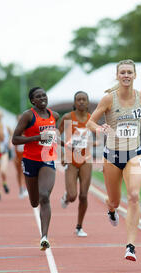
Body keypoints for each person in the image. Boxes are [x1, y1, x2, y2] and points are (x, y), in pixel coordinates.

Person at [86, 59, 141, 261]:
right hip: (112, 156)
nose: (126, 75)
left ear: (135, 75)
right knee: (115, 200)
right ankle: (110, 209)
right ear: (118, 76)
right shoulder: (108, 99)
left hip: (134, 154)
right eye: (122, 72)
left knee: (134, 195)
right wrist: (99, 128)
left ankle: (130, 246)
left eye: (129, 72)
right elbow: (90, 121)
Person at [12, 87, 60, 251]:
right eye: (38, 97)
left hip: (48, 159)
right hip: (30, 160)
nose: (42, 98)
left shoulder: (55, 116)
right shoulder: (28, 115)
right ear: (33, 101)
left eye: (44, 95)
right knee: (34, 202)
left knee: (44, 196)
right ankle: (43, 232)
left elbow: (56, 135)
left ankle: (44, 236)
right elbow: (15, 139)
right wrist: (36, 138)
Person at [58, 91, 95, 237]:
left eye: (83, 100)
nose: (81, 102)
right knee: (73, 196)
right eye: (78, 100)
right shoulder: (67, 117)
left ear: (87, 102)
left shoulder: (92, 119)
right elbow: (56, 134)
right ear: (74, 102)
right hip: (71, 160)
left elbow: (97, 136)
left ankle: (79, 226)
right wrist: (62, 153)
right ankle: (66, 197)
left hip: (86, 159)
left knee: (84, 196)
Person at [0, 110, 13, 197]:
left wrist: (10, 142)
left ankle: (4, 183)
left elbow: (12, 134)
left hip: (4, 152)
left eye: (0, 116)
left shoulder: (6, 127)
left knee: (2, 171)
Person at [13, 114, 28, 199]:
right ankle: (21, 188)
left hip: (26, 155)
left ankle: (25, 188)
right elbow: (13, 144)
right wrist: (15, 156)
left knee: (25, 172)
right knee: (19, 173)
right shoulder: (16, 131)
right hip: (18, 155)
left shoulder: (27, 130)